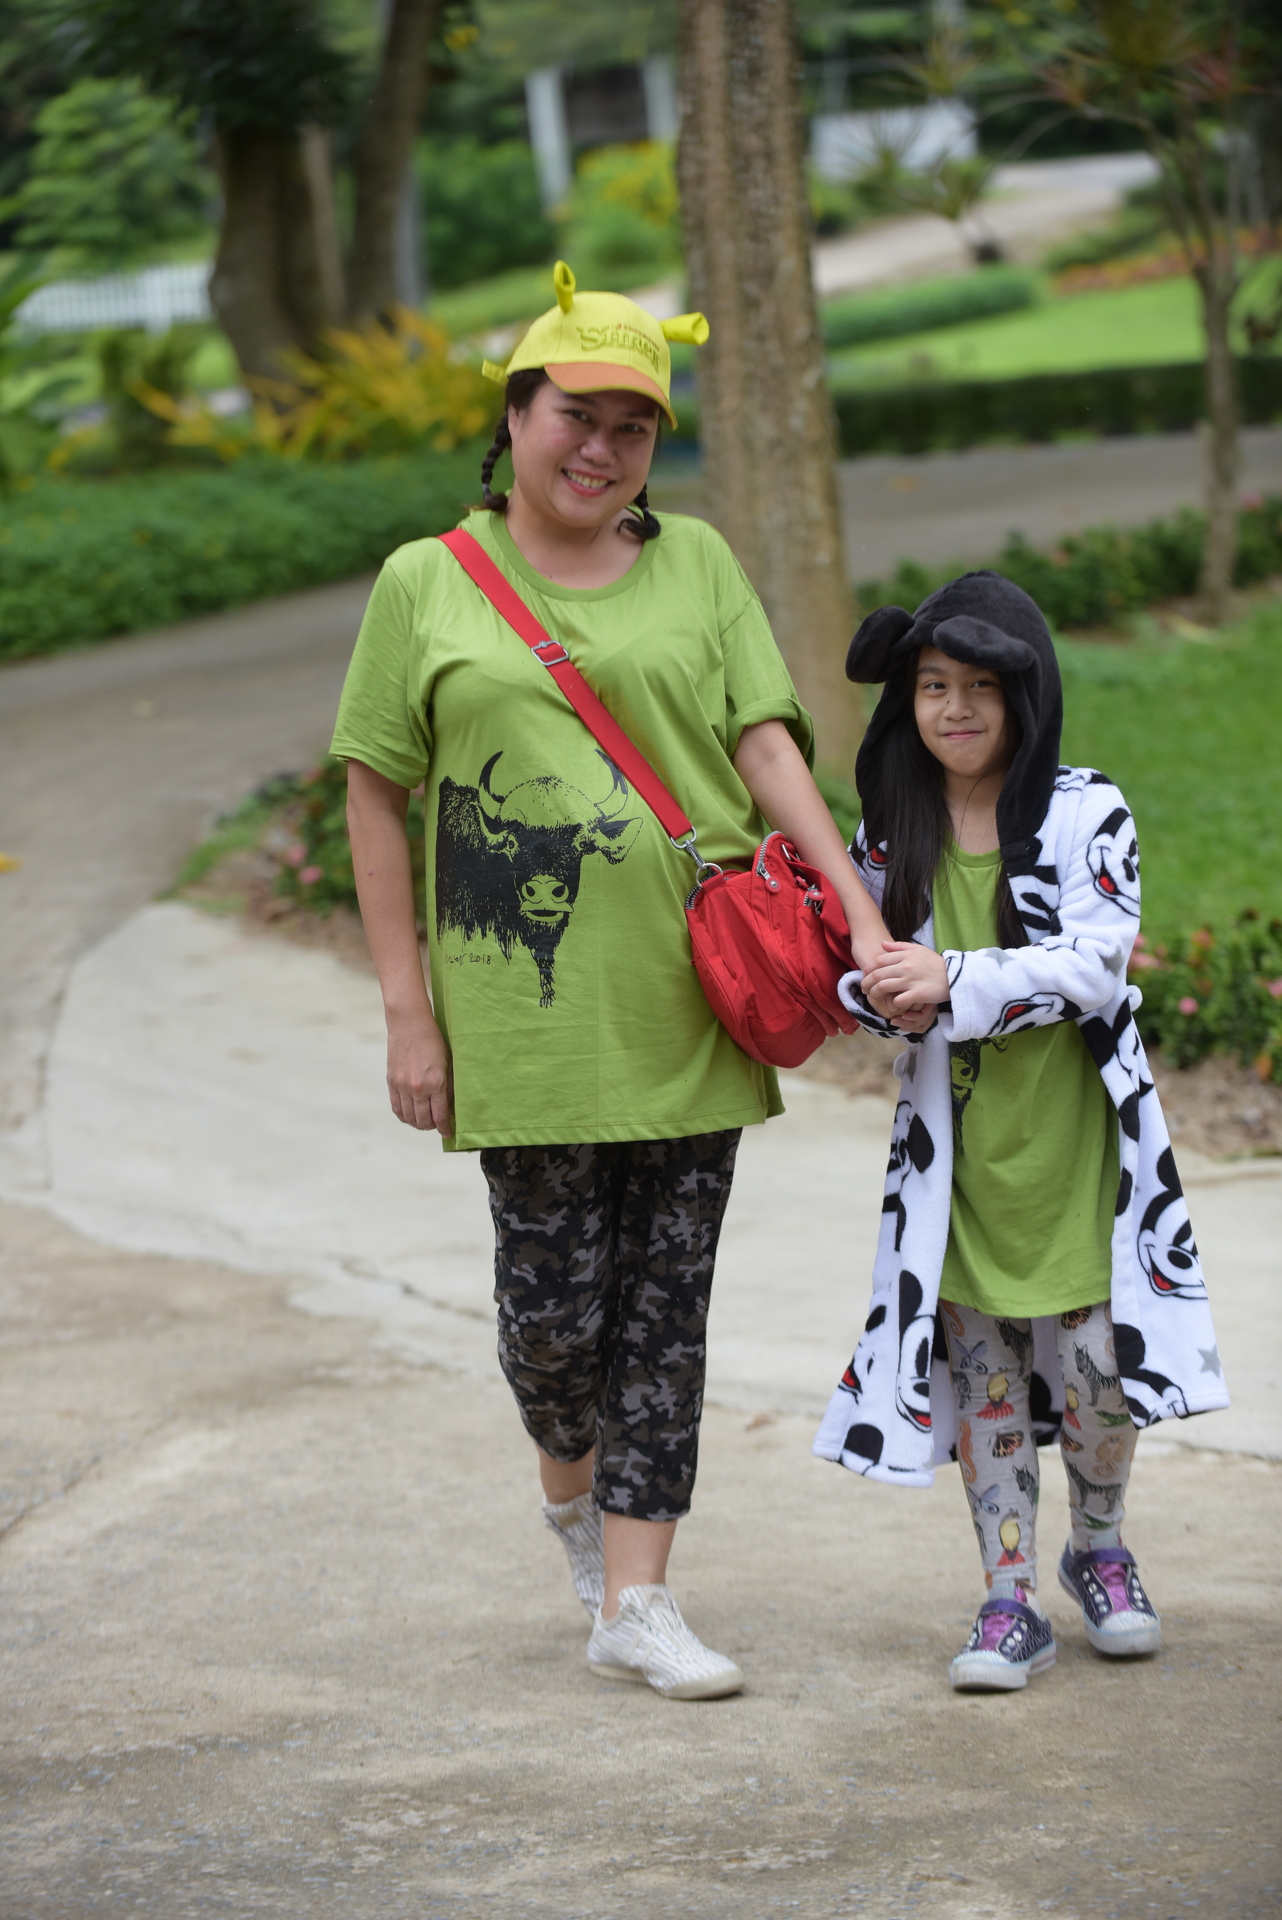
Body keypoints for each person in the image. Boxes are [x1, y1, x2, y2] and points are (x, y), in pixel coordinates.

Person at [330, 262, 891, 1701]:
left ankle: (639, 1598)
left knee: (664, 1315)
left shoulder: (695, 564)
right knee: (551, 1327)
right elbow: (377, 795)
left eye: (633, 427)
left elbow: (764, 745)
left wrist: (855, 907)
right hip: (519, 1024)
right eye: (576, 415)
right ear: (515, 416)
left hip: (691, 1004)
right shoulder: (425, 582)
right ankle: (569, 1497)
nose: (601, 448)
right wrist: (406, 1011)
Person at [812, 569, 1229, 1692]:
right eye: (931, 686)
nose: (953, 708)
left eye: (980, 687)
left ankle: (1099, 1545)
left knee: (1098, 1368)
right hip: (958, 1159)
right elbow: (862, 965)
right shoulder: (894, 828)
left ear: (1025, 695)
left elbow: (1094, 965)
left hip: (1079, 1147)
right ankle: (1009, 1598)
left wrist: (949, 977)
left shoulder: (1087, 810)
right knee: (985, 1378)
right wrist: (877, 994)